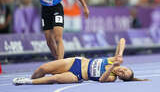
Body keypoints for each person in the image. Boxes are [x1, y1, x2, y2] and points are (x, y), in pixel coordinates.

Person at [13, 38, 149, 85]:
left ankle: (26, 81)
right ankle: (31, 79)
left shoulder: (112, 77)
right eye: (125, 69)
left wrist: (113, 66)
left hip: (77, 76)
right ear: (125, 66)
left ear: (120, 77)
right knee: (42, 69)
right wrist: (119, 54)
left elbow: (101, 80)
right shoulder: (115, 59)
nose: (122, 71)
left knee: (54, 78)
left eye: (123, 74)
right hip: (76, 62)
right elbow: (122, 41)